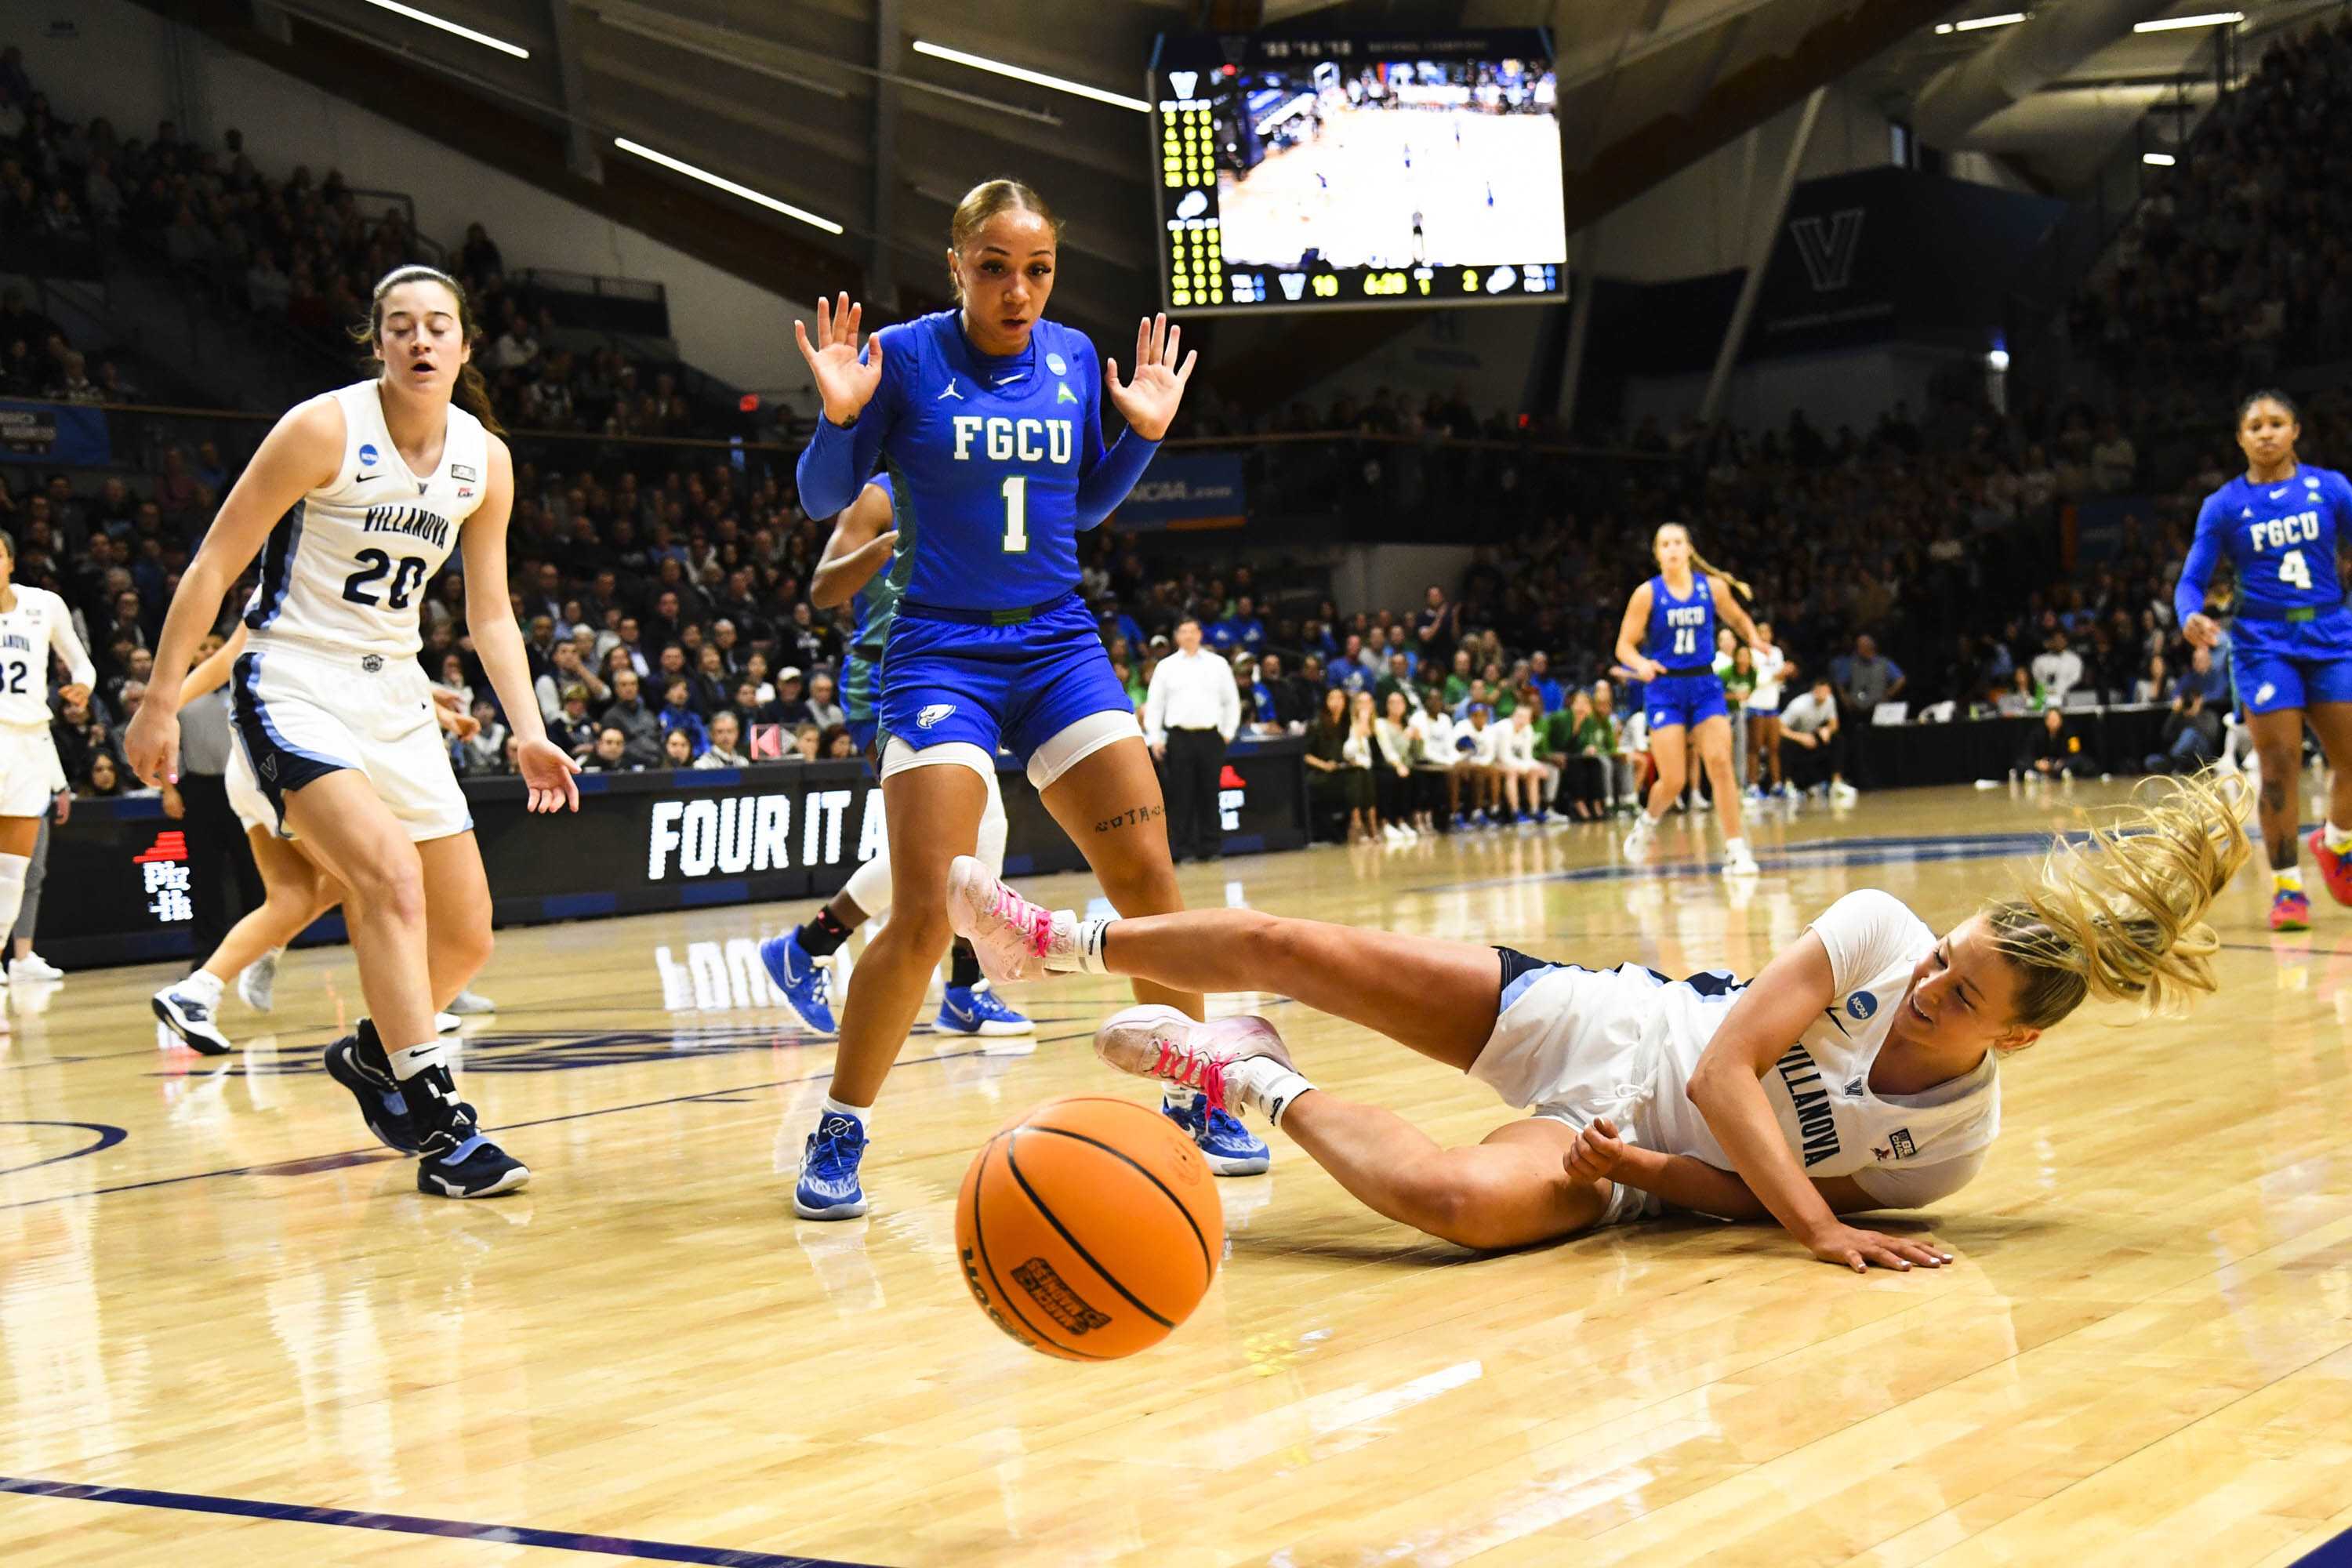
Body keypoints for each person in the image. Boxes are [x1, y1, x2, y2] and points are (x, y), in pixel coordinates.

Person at [949, 771, 2245, 1262]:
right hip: (1610, 1029)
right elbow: (1737, 1069)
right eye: (1946, 959)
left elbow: (1754, 1188)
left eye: (1960, 996)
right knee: (1305, 944)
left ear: (2011, 1039)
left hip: (1635, 1164)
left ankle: (1234, 1072)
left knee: (1458, 1215)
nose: (1928, 984)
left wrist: (1651, 1173)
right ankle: (1053, 940)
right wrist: (1812, 1228)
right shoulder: (1875, 933)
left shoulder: (1953, 1149)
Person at [786, 179, 1232, 1219]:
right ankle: (839, 1129)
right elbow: (821, 499)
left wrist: (1144, 438)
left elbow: (1081, 501)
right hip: (942, 652)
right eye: (995, 267)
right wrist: (838, 420)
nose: (1018, 289)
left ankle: (1199, 1091)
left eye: (1037, 270)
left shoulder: (1076, 357)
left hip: (1059, 645)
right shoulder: (900, 354)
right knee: (929, 907)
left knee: (1149, 880)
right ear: (957, 268)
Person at [125, 264, 579, 1199]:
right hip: (292, 677)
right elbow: (216, 561)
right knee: (385, 876)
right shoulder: (323, 427)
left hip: (396, 692)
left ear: (463, 344)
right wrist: (161, 696)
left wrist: (527, 727)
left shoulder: (483, 459)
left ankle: (377, 1056)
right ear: (377, 341)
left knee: (467, 936)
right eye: (401, 326)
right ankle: (443, 1125)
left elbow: (490, 613)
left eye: (438, 326)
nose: (420, 340)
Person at [757, 476, 1036, 1047]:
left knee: (969, 836)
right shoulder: (881, 495)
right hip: (888, 675)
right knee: (949, 843)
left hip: (956, 672)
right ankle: (960, 987)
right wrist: (887, 545)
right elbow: (825, 588)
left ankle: (812, 949)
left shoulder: (977, 483)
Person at [151, 625, 484, 1051]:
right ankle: (402, 1004)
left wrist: (441, 714)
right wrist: (160, 709)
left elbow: (369, 675)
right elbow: (224, 662)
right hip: (281, 756)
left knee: (296, 895)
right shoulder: (296, 593)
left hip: (257, 760)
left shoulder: (355, 608)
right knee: (366, 880)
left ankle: (205, 987)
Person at [2174, 390, 2352, 931]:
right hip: (2263, 644)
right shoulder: (2225, 506)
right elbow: (2191, 580)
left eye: (2277, 423)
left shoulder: (2333, 488)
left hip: (2331, 633)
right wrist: (2189, 615)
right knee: (2278, 768)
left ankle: (2336, 842)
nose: (2267, 433)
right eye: (2255, 425)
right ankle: (2287, 888)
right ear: (2241, 438)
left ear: (2296, 430)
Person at [1617, 523, 1764, 874]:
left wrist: (1754, 639)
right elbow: (1624, 645)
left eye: (1677, 542)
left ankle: (1735, 848)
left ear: (1688, 549)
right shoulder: (1647, 594)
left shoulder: (1710, 588)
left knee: (1720, 763)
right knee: (1674, 780)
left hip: (1704, 685)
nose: (1671, 549)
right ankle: (1648, 822)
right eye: (1664, 544)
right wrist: (1641, 663)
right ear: (1657, 553)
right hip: (1665, 689)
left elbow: (1739, 618)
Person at [0, 527, 94, 991]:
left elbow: (82, 664)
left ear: (11, 561)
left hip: (27, 743)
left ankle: (10, 963)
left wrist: (83, 687)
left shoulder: (44, 605)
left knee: (14, 874)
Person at [1145, 616, 1242, 863]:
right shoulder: (1166, 667)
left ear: (1201, 634)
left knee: (1210, 792)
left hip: (1211, 736)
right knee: (1181, 795)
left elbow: (1231, 700)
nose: (1188, 636)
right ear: (1177, 636)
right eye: (1183, 631)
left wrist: (1228, 731)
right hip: (1179, 737)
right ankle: (1184, 849)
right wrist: (1155, 737)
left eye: (1193, 631)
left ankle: (1211, 846)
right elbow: (1155, 705)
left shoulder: (1218, 664)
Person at [1778, 677, 1853, 801]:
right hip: (1795, 737)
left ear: (1829, 692)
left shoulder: (1830, 700)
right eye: (1819, 692)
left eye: (1826, 692)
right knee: (1785, 745)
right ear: (1813, 692)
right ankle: (1787, 785)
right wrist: (1801, 737)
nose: (1823, 695)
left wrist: (1827, 730)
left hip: (1812, 736)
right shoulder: (1799, 705)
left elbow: (1834, 724)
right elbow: (1779, 728)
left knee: (1838, 739)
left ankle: (1836, 783)